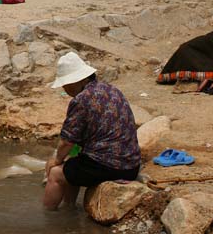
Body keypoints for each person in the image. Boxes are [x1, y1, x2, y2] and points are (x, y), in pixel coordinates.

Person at [43, 52, 141, 211]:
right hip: (131, 166)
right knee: (72, 166)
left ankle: (48, 217)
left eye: (65, 84)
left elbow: (67, 141)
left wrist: (56, 160)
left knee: (56, 173)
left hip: (108, 167)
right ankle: (69, 208)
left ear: (76, 81)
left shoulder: (81, 99)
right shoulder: (112, 89)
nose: (64, 88)